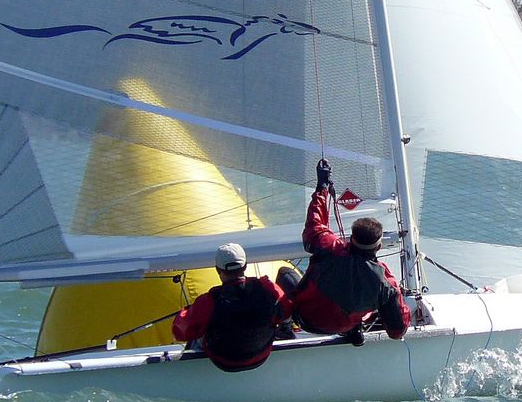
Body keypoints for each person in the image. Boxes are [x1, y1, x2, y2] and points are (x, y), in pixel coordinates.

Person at [278, 159, 410, 345]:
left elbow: (315, 224)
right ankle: (355, 329)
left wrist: (322, 187)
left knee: (284, 273)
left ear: (351, 239)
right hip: (344, 327)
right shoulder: (385, 282)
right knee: (368, 304)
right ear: (378, 247)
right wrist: (395, 296)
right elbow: (397, 331)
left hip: (304, 319)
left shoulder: (329, 247)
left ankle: (285, 328)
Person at [171, 242, 291, 372]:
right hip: (260, 356)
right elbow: (286, 309)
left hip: (224, 362)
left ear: (218, 270)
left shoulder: (208, 301)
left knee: (196, 334)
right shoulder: (267, 288)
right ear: (245, 266)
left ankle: (189, 373)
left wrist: (186, 312)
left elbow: (181, 332)